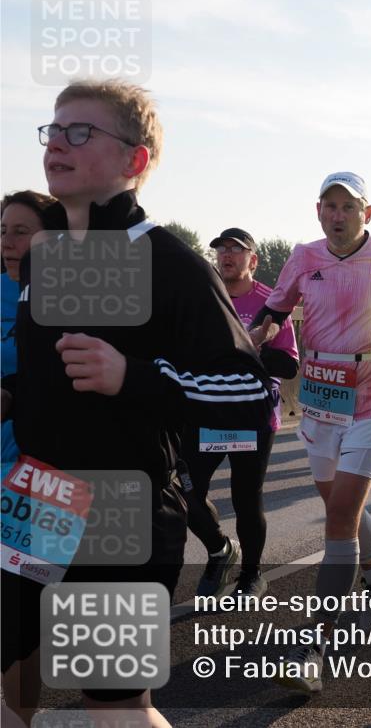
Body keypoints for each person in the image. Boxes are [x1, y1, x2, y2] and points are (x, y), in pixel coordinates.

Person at [1, 79, 271, 727]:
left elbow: (248, 390)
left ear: (135, 160)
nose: (57, 143)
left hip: (123, 508)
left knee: (115, 709)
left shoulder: (169, 262)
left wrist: (136, 376)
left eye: (80, 132)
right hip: (39, 498)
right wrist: (11, 397)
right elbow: (50, 379)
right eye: (53, 130)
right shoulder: (47, 260)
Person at [247, 172, 371, 694]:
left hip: (370, 398)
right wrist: (255, 337)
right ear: (319, 212)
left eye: (348, 206)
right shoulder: (302, 256)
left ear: (368, 212)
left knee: (338, 516)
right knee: (340, 506)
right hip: (317, 400)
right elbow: (273, 311)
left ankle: (315, 644)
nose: (338, 215)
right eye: (329, 206)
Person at [178, 228, 299, 600]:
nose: (226, 255)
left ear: (253, 260)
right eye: (221, 249)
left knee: (247, 498)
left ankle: (251, 575)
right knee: (183, 493)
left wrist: (256, 347)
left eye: (236, 249)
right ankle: (220, 548)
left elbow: (290, 364)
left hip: (251, 418)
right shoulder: (202, 296)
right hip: (206, 414)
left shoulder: (271, 303)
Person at [1, 192, 55, 481]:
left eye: (21, 232)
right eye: (3, 231)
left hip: (51, 467)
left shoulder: (79, 299)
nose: (7, 242)